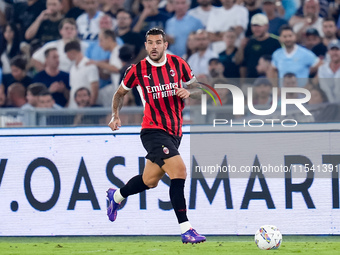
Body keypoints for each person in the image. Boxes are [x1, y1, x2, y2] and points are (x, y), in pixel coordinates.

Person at [106, 28, 206, 244]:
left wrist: (189, 92)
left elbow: (199, 90)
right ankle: (186, 229)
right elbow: (119, 93)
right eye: (150, 42)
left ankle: (116, 197)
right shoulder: (138, 69)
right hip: (152, 130)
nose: (154, 46)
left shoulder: (179, 64)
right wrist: (115, 116)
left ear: (165, 45)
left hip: (174, 133)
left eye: (158, 42)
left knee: (149, 181)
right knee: (179, 171)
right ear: (145, 46)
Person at [87, 29, 122, 106]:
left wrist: (96, 63)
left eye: (101, 40)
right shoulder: (113, 54)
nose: (99, 44)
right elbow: (107, 74)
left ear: (109, 39)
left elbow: (117, 69)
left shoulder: (119, 51)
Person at [240, 13, 281, 79]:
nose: (256, 29)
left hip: (269, 81)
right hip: (250, 81)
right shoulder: (248, 42)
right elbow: (243, 64)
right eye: (254, 26)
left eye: (259, 26)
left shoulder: (276, 42)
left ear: (267, 26)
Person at [65, 40, 99, 108]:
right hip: (73, 107)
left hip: (85, 106)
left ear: (71, 52)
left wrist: (91, 104)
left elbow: (95, 86)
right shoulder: (72, 68)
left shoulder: (90, 66)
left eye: (67, 54)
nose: (67, 57)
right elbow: (72, 89)